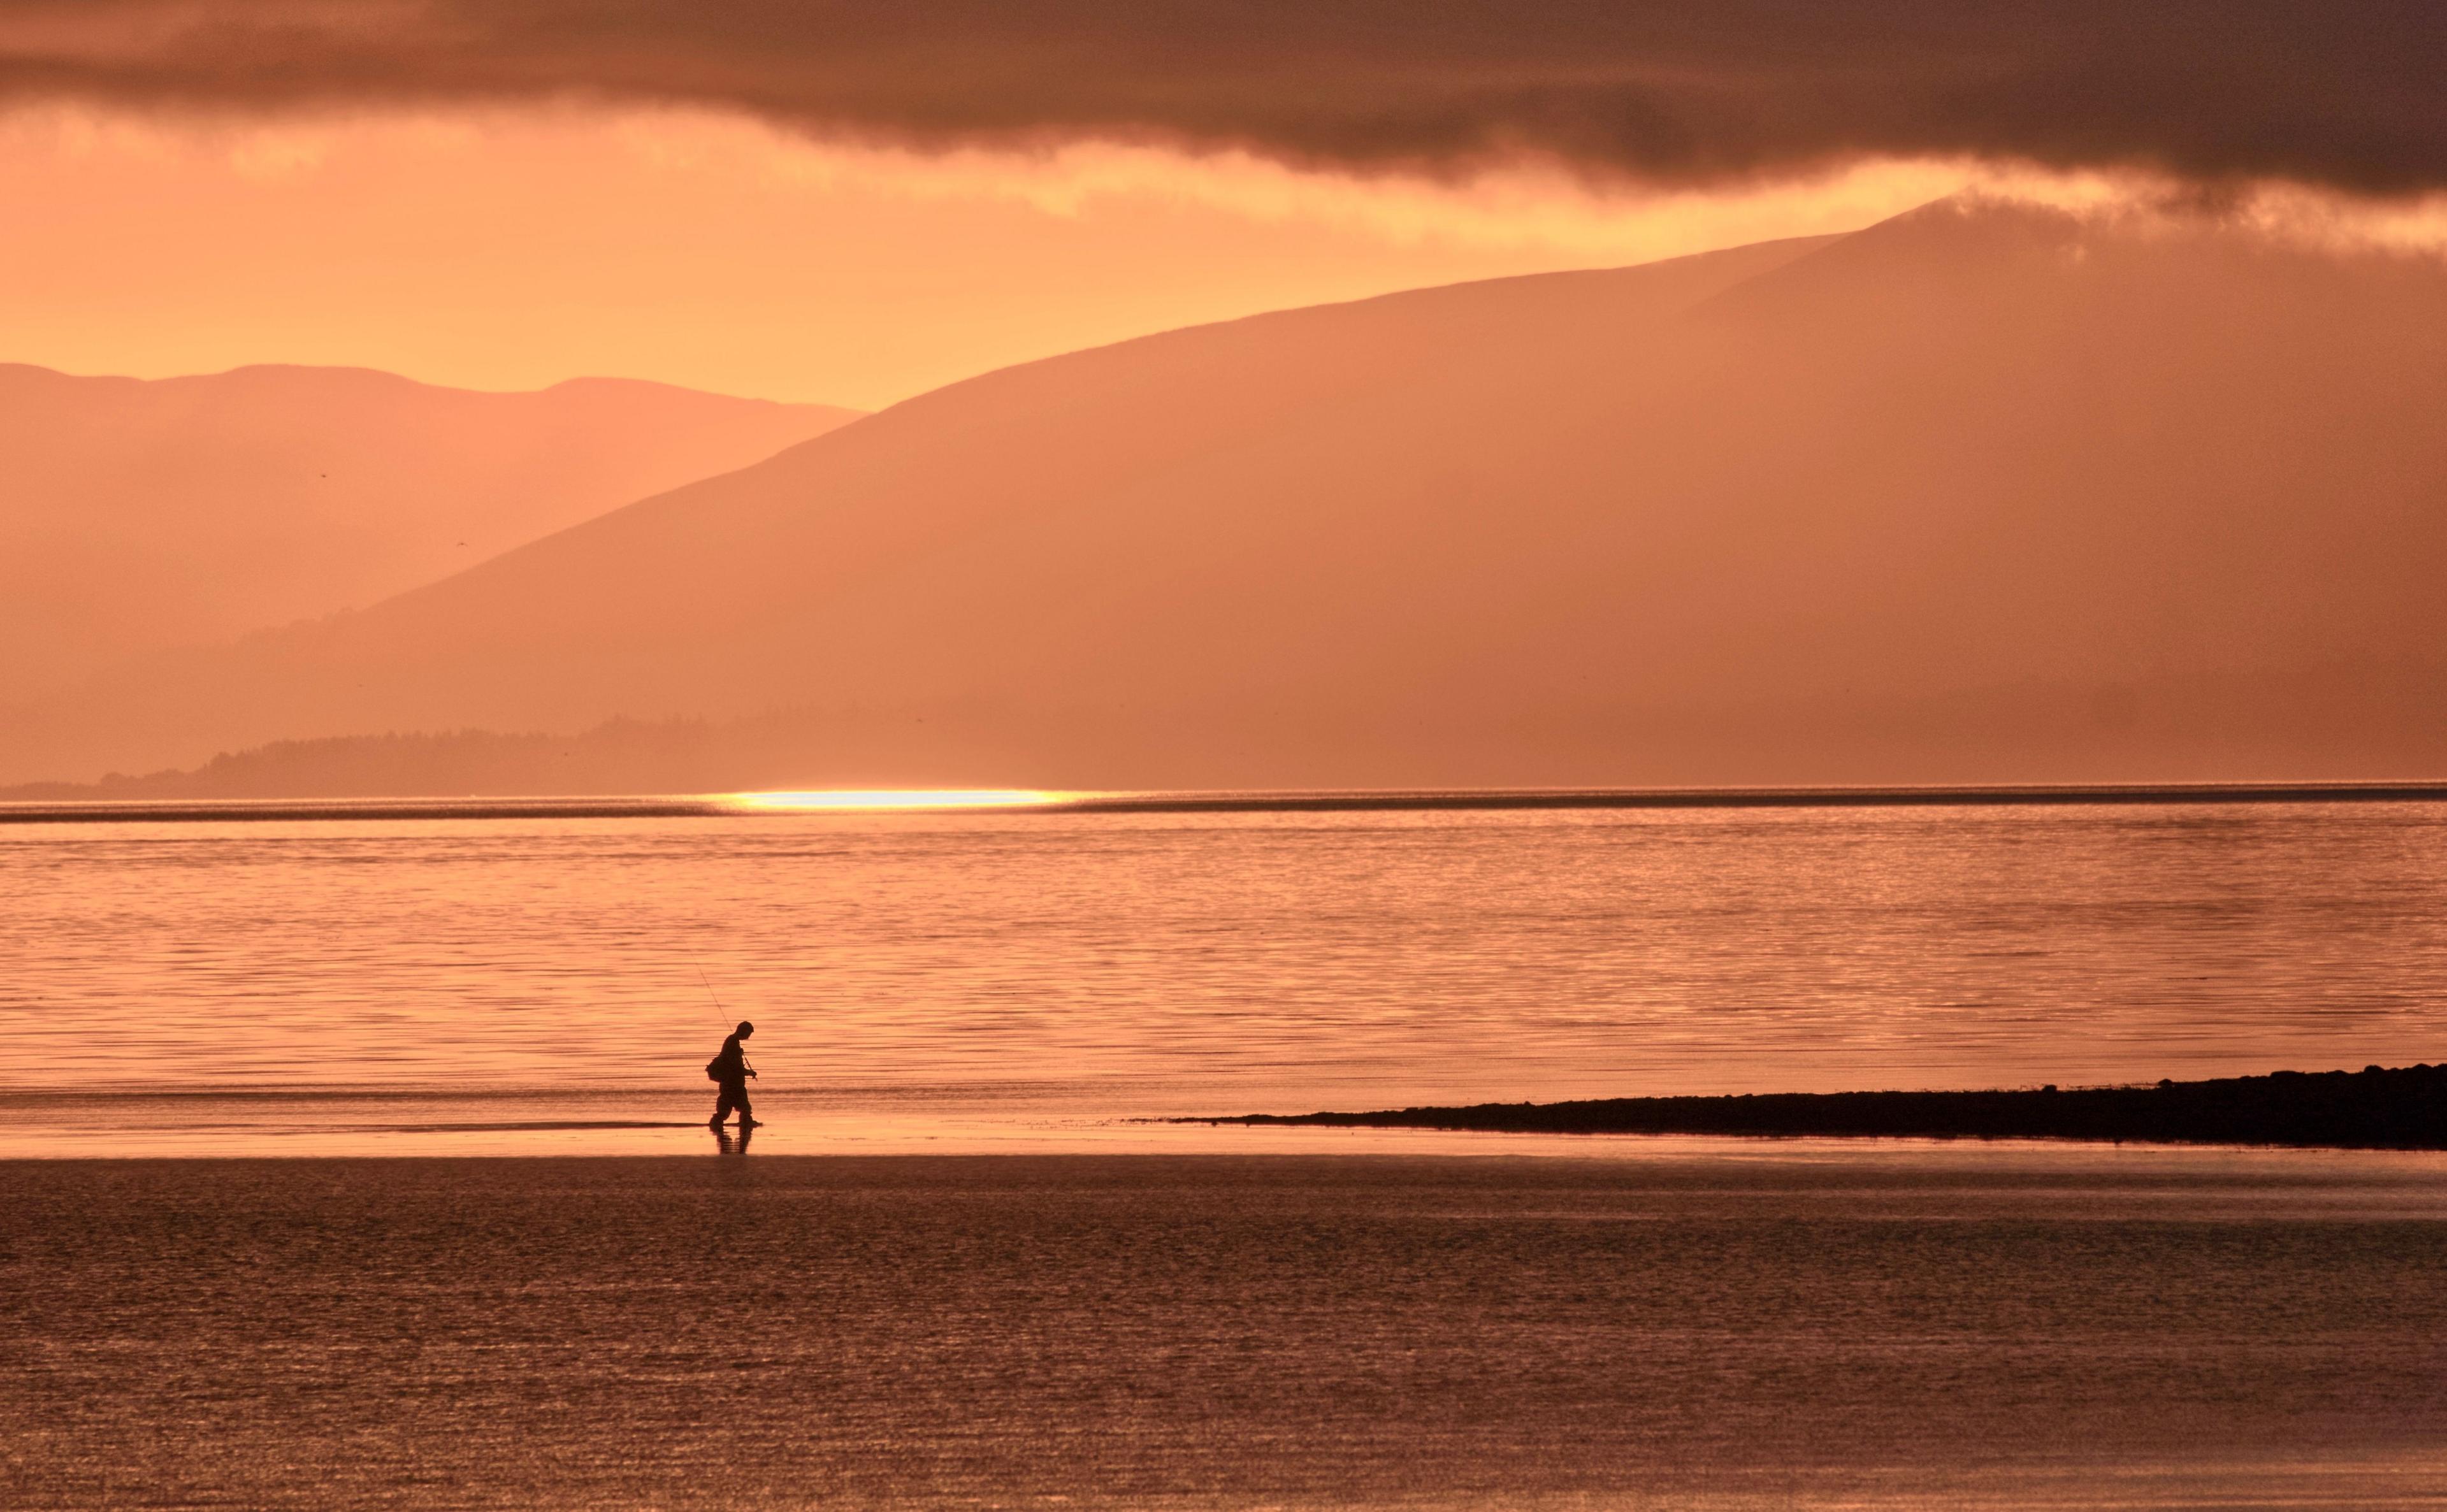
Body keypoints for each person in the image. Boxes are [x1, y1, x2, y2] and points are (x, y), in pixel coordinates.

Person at [707, 1020, 759, 1130]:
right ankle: (745, 1125)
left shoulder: (733, 1042)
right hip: (733, 1085)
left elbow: (736, 1067)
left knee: (730, 1110)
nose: (748, 1036)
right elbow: (736, 1068)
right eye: (748, 1033)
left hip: (731, 1084)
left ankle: (743, 1125)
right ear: (743, 1031)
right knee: (739, 1109)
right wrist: (749, 1073)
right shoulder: (733, 1043)